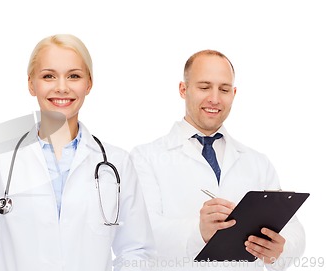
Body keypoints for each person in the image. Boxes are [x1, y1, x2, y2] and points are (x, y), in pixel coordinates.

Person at [0, 34, 156, 271]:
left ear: (88, 83)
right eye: (48, 76)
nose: (61, 87)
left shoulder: (117, 162)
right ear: (31, 84)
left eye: (74, 76)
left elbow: (136, 250)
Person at [130, 50, 305, 270]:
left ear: (234, 93)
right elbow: (140, 235)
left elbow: (293, 229)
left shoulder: (257, 162)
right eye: (204, 87)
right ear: (183, 90)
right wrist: (199, 231)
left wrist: (280, 249)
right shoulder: (145, 157)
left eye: (223, 89)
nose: (214, 98)